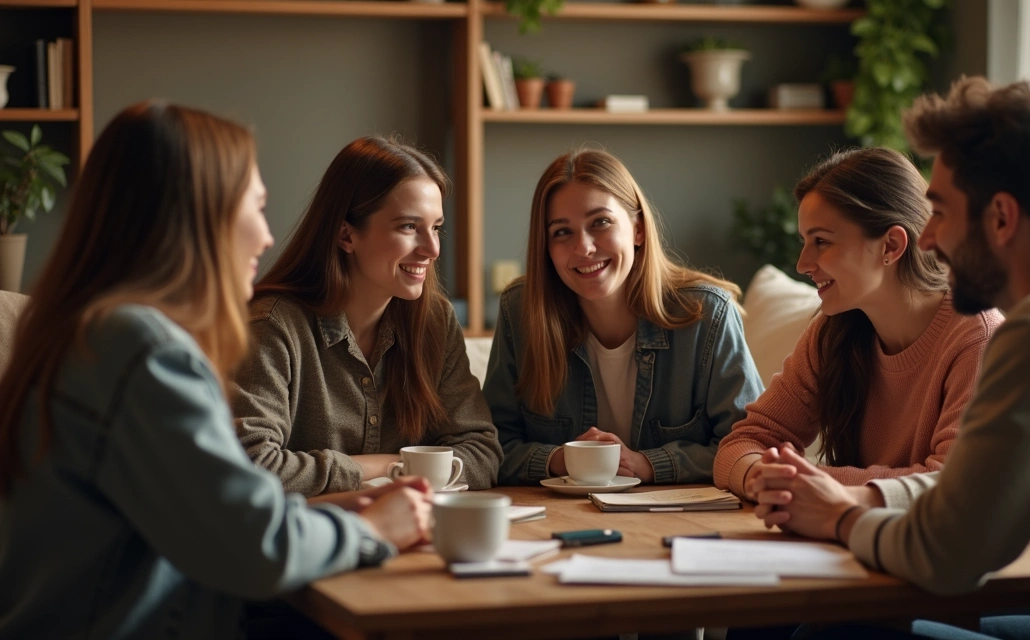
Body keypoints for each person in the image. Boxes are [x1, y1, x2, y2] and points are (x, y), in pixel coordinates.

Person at [750, 77, 1030, 639]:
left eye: (941, 213)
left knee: (841, 633)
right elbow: (969, 503)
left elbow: (948, 554)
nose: (927, 242)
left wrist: (840, 514)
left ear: (1000, 217)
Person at [0, 102, 433, 638]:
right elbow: (251, 548)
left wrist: (342, 512)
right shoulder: (143, 351)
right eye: (255, 208)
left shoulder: (82, 333)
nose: (267, 236)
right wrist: (371, 530)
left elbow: (213, 512)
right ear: (197, 215)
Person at [714, 148, 1001, 501]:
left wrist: (815, 482)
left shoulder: (977, 337)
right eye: (805, 242)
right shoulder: (832, 331)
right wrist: (764, 478)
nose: (803, 263)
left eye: (821, 242)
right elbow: (741, 444)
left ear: (891, 245)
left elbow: (955, 485)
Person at [232, 136, 502, 496]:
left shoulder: (434, 321)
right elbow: (249, 466)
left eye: (435, 227)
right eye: (408, 227)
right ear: (347, 234)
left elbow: (482, 451)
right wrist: (388, 466)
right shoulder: (273, 326)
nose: (432, 249)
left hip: (418, 534)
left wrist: (388, 470)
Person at [486, 149, 764, 485]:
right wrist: (563, 459)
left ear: (638, 230)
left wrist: (648, 464)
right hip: (556, 515)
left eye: (600, 222)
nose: (584, 248)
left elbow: (751, 446)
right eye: (562, 232)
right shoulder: (521, 313)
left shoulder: (707, 315)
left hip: (680, 520)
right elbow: (493, 447)